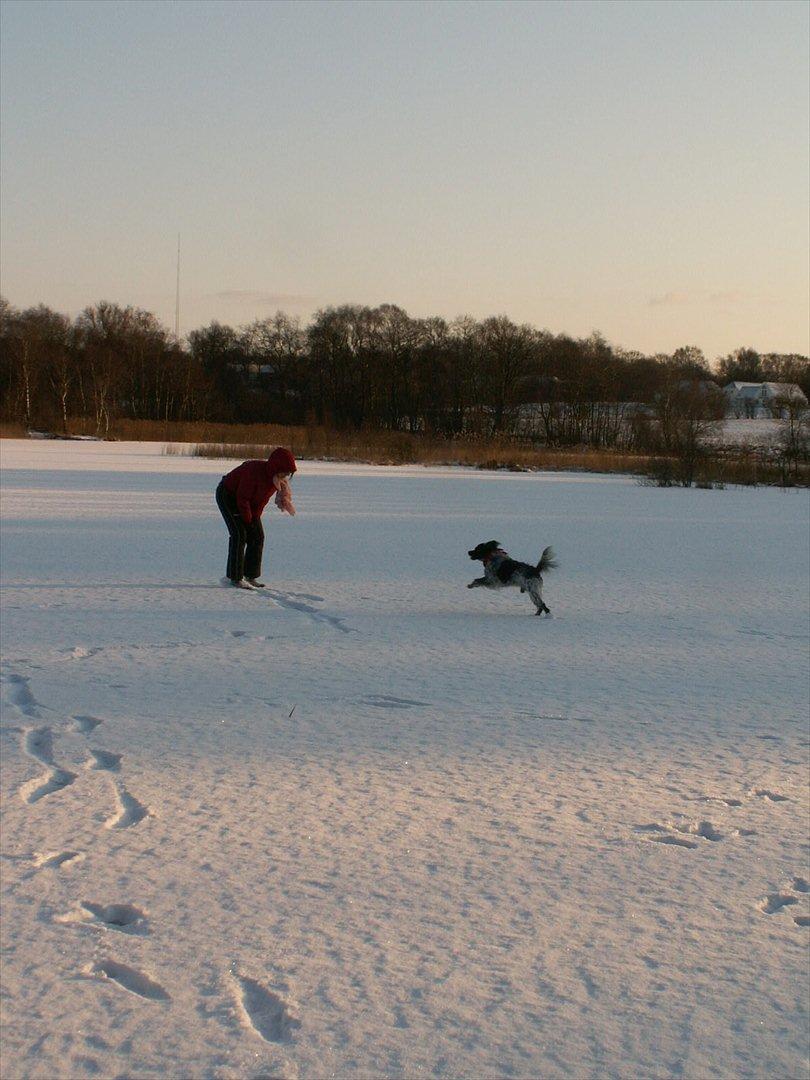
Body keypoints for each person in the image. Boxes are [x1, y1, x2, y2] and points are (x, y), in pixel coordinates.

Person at [215, 447, 297, 588]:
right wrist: (247, 520)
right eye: (284, 471)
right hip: (228, 496)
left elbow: (260, 502)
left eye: (288, 473)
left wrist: (254, 520)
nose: (285, 476)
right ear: (276, 466)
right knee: (239, 534)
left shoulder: (275, 480)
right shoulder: (254, 472)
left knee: (257, 536)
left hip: (247, 502)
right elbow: (243, 498)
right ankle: (235, 578)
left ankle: (250, 575)